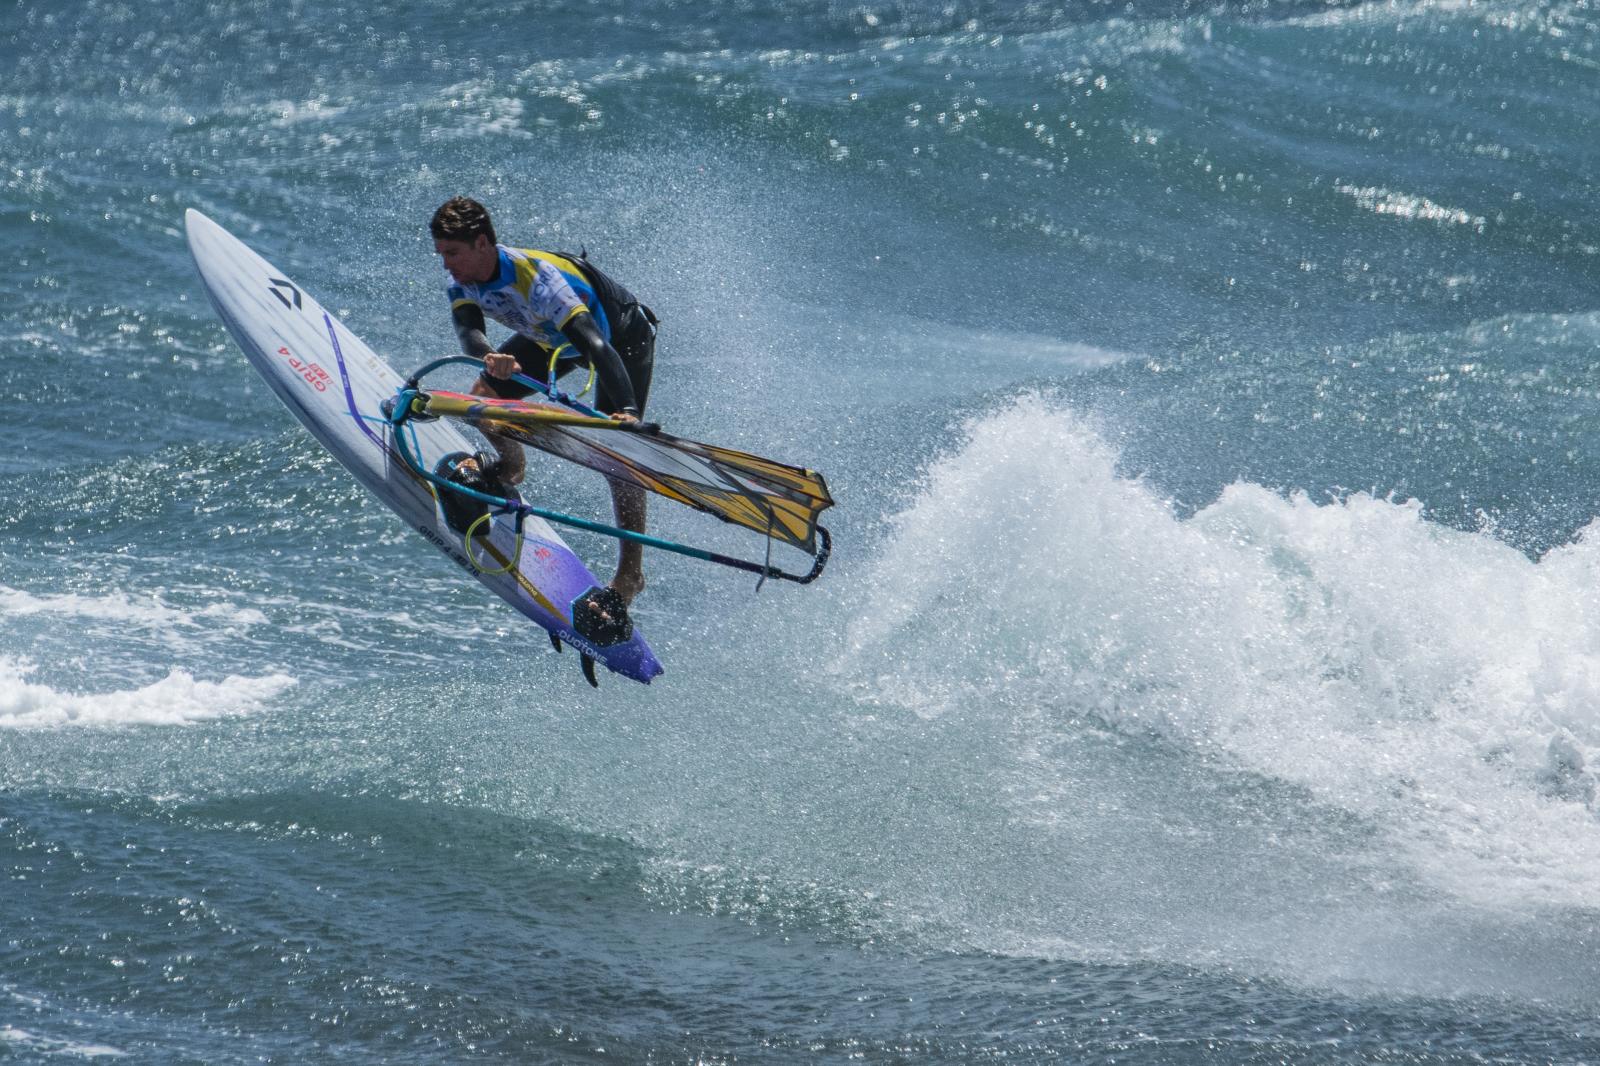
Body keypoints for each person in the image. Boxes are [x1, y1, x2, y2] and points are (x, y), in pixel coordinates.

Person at [429, 196, 656, 607]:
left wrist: (629, 413)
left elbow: (595, 344)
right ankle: (512, 467)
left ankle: (629, 576)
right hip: (551, 338)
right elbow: (469, 333)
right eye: (441, 253)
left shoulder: (536, 278)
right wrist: (490, 357)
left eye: (452, 253)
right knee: (483, 402)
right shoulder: (462, 278)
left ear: (482, 243)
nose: (446, 263)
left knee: (618, 458)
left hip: (620, 337)